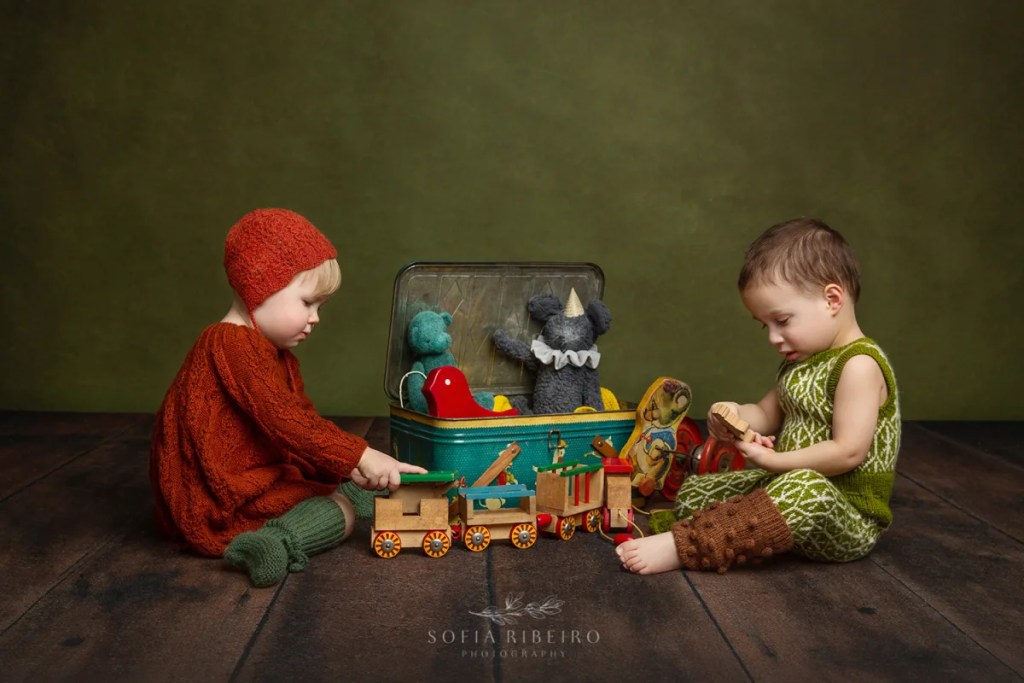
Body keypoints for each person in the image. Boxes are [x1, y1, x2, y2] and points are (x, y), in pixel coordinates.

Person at [150, 208, 425, 587]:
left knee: (343, 485)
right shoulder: (231, 342)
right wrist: (360, 455)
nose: (315, 318)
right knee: (342, 509)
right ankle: (276, 541)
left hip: (243, 483)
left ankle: (326, 500)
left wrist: (345, 467)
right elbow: (286, 422)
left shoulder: (275, 355)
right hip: (218, 502)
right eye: (307, 302)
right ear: (259, 286)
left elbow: (301, 422)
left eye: (320, 307)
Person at [616, 218, 901, 574]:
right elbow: (765, 414)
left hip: (844, 512)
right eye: (765, 325)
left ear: (832, 299)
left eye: (783, 321)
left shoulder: (859, 365)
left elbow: (848, 452)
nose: (773, 338)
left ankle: (685, 545)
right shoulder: (802, 364)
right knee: (695, 493)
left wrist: (773, 461)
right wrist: (734, 414)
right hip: (784, 486)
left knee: (805, 488)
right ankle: (744, 527)